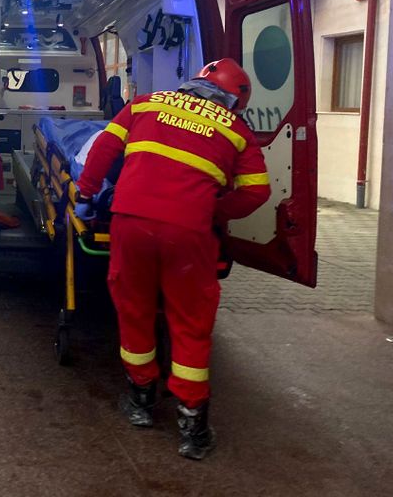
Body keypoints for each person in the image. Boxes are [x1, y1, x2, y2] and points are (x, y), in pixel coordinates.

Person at [75, 59, 270, 460]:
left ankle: (141, 401)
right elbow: (257, 191)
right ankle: (193, 428)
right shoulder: (236, 130)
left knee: (134, 309)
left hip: (130, 222)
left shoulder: (146, 104)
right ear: (234, 101)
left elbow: (104, 148)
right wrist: (215, 210)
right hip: (188, 233)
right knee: (190, 322)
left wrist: (86, 193)